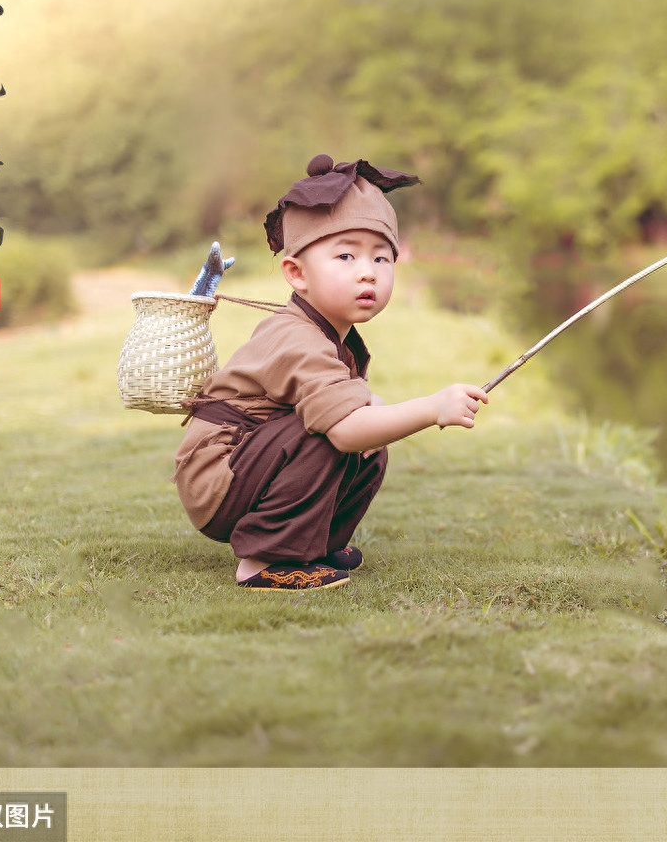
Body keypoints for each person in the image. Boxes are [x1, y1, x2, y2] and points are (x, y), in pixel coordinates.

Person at [172, 155, 489, 592]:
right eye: (345, 256)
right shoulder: (297, 337)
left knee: (372, 441)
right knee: (332, 434)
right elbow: (343, 430)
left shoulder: (331, 333)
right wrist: (432, 408)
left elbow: (359, 419)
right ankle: (265, 559)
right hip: (218, 478)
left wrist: (381, 415)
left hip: (250, 464)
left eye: (382, 259)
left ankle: (313, 544)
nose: (367, 272)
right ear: (297, 273)